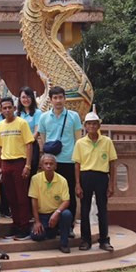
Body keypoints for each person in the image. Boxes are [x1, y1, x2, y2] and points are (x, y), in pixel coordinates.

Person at [36, 85, 83, 224]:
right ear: (50, 100)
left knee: (69, 194)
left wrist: (78, 160)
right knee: (51, 194)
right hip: (51, 162)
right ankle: (54, 224)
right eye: (55, 98)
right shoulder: (44, 117)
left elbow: (78, 140)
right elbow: (43, 139)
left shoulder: (73, 116)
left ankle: (69, 225)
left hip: (69, 160)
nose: (58, 101)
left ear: (65, 99)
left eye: (60, 97)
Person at [73, 108, 117, 252]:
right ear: (85, 126)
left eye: (94, 124)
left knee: (102, 210)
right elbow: (77, 165)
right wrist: (78, 184)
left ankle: (104, 240)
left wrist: (111, 184)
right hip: (86, 176)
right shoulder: (80, 143)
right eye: (89, 124)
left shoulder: (107, 142)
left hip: (101, 176)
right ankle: (86, 240)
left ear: (99, 125)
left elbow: (112, 163)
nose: (92, 126)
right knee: (84, 210)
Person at [0, 96, 35, 239]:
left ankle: (24, 227)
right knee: (11, 197)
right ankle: (16, 225)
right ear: (1, 109)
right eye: (4, 108)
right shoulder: (0, 125)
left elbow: (29, 144)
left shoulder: (22, 123)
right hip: (6, 163)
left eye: (9, 107)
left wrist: (28, 165)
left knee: (22, 197)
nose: (7, 110)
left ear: (14, 108)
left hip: (20, 162)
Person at [29, 153, 73, 252]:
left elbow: (66, 201)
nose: (48, 166)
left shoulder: (62, 180)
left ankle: (64, 244)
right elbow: (34, 200)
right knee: (36, 236)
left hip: (56, 214)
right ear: (41, 166)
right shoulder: (35, 179)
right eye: (46, 163)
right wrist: (37, 221)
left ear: (55, 166)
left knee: (67, 214)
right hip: (42, 215)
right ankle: (51, 231)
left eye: (51, 164)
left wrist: (57, 213)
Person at [17, 85, 43, 172]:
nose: (26, 99)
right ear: (19, 99)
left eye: (28, 97)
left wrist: (28, 142)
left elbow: (37, 131)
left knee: (31, 171)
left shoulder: (37, 113)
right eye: (23, 97)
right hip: (18, 147)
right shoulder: (16, 114)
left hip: (32, 146)